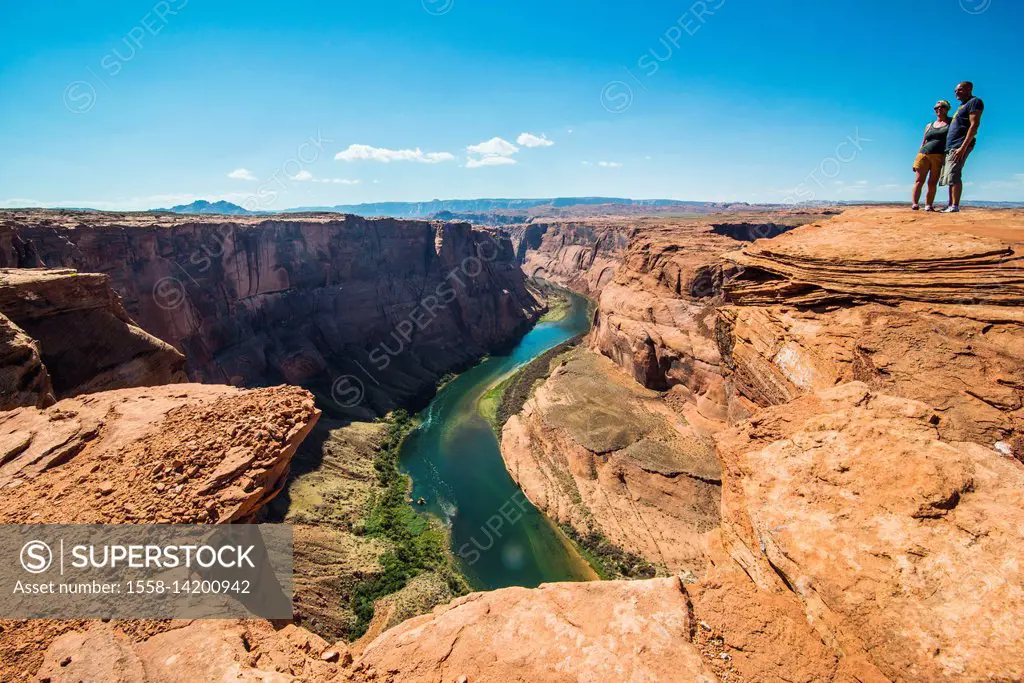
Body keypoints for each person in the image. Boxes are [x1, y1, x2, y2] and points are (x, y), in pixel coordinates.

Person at [939, 81, 984, 212]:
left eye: (960, 90)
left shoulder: (974, 102)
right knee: (950, 176)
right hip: (952, 145)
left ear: (969, 89)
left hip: (960, 144)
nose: (956, 93)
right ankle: (950, 204)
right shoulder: (962, 105)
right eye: (955, 91)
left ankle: (955, 206)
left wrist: (963, 147)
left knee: (954, 174)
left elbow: (974, 125)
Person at [911, 100, 951, 211]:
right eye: (936, 108)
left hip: (938, 155)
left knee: (932, 182)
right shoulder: (929, 125)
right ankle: (915, 204)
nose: (939, 109)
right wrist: (917, 157)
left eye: (942, 107)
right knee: (919, 180)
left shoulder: (951, 123)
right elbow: (923, 141)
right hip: (924, 154)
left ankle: (928, 205)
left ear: (947, 109)